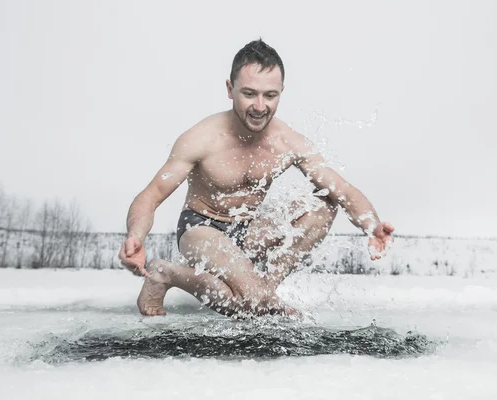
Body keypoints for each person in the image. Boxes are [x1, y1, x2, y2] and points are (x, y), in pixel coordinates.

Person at [118, 39, 394, 318]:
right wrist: (135, 236)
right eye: (249, 94)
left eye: (270, 95)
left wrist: (371, 225)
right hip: (201, 229)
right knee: (256, 305)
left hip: (249, 230)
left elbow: (342, 189)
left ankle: (263, 293)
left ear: (281, 92)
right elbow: (151, 195)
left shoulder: (288, 142)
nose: (260, 106)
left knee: (324, 204)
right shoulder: (201, 138)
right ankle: (166, 273)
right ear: (230, 89)